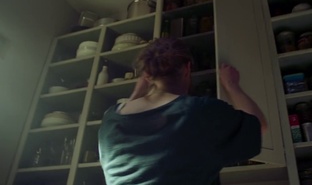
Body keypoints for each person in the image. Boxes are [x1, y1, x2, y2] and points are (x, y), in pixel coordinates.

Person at [98, 37, 267, 185]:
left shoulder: (109, 120)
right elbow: (258, 126)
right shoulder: (201, 112)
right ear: (187, 69)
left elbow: (133, 117)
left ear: (147, 76)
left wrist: (136, 94)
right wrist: (232, 85)